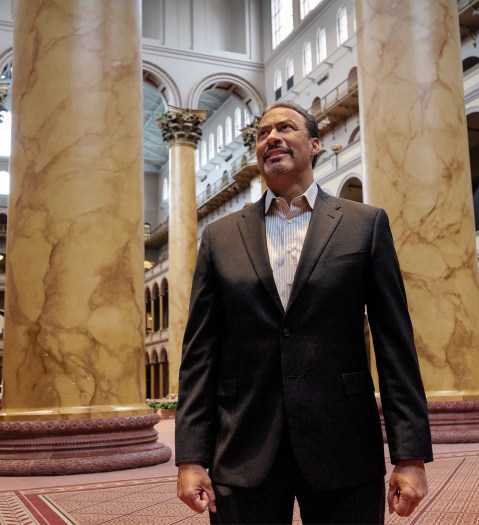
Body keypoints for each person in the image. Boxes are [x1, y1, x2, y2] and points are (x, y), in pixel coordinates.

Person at [175, 100, 433, 524]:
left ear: (315, 145)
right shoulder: (220, 237)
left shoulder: (363, 225)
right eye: (262, 134)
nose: (271, 137)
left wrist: (410, 457)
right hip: (243, 450)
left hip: (344, 445)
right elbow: (199, 355)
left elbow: (395, 347)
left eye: (286, 128)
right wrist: (190, 458)